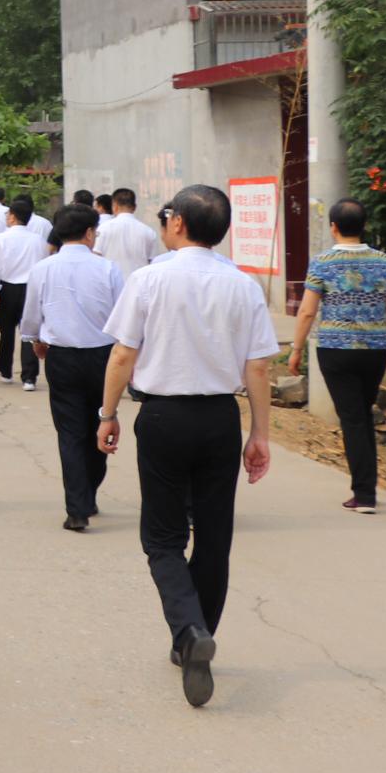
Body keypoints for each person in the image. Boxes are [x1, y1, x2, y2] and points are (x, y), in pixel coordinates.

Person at [97, 185, 278, 708]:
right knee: (215, 535)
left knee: (162, 537)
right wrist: (258, 434)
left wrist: (107, 415)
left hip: (162, 417)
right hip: (219, 418)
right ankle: (195, 637)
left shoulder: (149, 279)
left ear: (177, 223)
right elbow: (259, 366)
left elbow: (123, 357)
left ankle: (189, 629)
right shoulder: (242, 286)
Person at [287, 198, 386, 514]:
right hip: (374, 350)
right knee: (362, 414)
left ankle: (365, 494)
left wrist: (296, 349)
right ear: (363, 226)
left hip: (336, 351)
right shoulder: (383, 262)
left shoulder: (323, 262)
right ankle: (366, 486)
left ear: (333, 227)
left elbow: (306, 311)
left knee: (353, 418)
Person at [20, 204, 125, 530]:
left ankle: (77, 508)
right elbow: (123, 316)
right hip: (103, 357)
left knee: (69, 432)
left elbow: (32, 315)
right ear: (90, 232)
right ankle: (89, 492)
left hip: (61, 357)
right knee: (102, 420)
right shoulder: (108, 269)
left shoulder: (43, 269)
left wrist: (34, 338)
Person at [0, 197, 46, 387]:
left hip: (7, 288)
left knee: (6, 331)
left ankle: (5, 369)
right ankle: (29, 377)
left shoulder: (0, 239)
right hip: (30, 289)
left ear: (13, 217)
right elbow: (42, 267)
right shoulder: (38, 240)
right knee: (29, 332)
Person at [96, 187, 160, 276]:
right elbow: (153, 262)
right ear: (134, 207)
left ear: (114, 206)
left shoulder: (103, 229)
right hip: (139, 285)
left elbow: (96, 257)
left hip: (111, 284)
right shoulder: (149, 232)